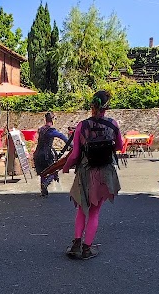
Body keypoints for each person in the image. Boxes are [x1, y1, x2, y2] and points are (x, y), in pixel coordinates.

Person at [62, 90, 123, 260]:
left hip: (85, 172)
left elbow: (74, 154)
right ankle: (87, 248)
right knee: (95, 212)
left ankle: (75, 245)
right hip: (104, 172)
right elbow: (119, 146)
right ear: (107, 106)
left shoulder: (82, 125)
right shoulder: (113, 124)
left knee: (82, 209)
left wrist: (66, 167)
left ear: (92, 105)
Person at [33, 112, 68, 196]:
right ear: (53, 119)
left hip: (37, 154)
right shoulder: (51, 131)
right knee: (53, 170)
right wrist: (72, 145)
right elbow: (62, 137)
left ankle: (43, 190)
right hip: (46, 155)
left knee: (42, 172)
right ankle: (45, 184)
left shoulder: (41, 129)